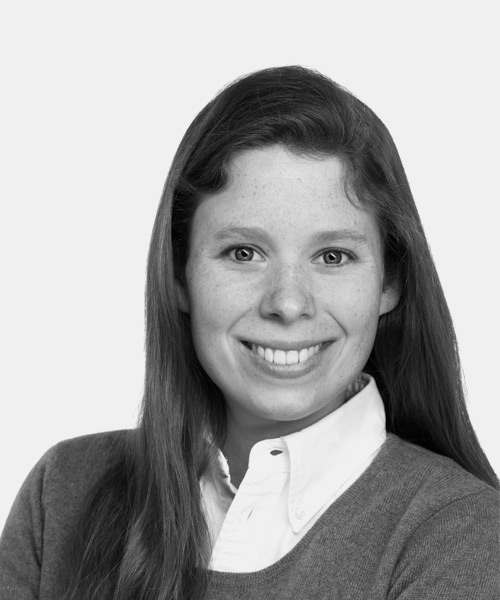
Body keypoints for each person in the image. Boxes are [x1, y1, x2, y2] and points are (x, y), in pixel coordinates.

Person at [0, 66, 498, 600]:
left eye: (333, 256)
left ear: (389, 283)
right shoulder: (63, 493)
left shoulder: (458, 534)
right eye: (244, 253)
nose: (288, 303)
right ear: (179, 275)